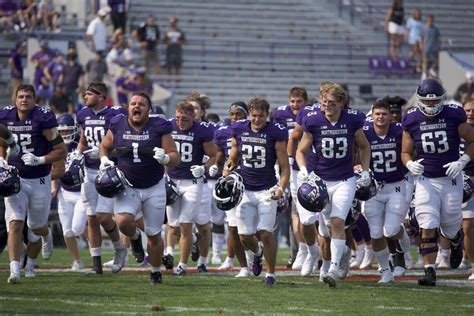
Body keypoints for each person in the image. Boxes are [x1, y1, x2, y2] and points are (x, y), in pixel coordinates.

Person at [99, 91, 180, 284]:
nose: (137, 106)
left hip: (154, 186)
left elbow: (175, 157)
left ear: (148, 109)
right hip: (128, 184)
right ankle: (135, 238)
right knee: (123, 222)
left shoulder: (159, 127)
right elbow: (105, 145)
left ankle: (155, 270)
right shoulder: (118, 123)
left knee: (153, 234)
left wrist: (166, 158)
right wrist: (103, 159)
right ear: (128, 107)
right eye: (133, 103)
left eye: (141, 104)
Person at [296, 84, 371, 287]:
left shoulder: (352, 119)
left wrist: (364, 171)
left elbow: (364, 146)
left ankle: (334, 268)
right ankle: (345, 252)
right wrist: (303, 170)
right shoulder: (313, 120)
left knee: (338, 222)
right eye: (324, 102)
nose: (327, 106)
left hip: (345, 180)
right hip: (321, 181)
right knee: (327, 230)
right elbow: (301, 150)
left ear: (341, 103)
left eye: (331, 102)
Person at [401, 78, 474, 286]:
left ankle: (456, 239)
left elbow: (473, 139)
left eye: (435, 102)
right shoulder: (412, 118)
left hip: (451, 179)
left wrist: (463, 160)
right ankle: (429, 271)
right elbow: (405, 152)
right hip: (426, 180)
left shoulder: (453, 114)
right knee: (427, 223)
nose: (431, 105)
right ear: (420, 99)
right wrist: (409, 165)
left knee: (450, 225)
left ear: (442, 99)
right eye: (427, 101)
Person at [0, 84, 68, 284]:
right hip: (15, 178)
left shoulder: (43, 118)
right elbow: (1, 142)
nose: (24, 100)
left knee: (36, 226)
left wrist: (40, 159)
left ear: (34, 99)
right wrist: (2, 158)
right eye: (20, 96)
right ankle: (15, 271)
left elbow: (61, 151)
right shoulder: (6, 116)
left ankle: (45, 235)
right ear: (15, 98)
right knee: (15, 223)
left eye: (28, 96)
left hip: (39, 178)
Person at [224, 97, 290, 286]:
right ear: (249, 114)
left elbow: (285, 167)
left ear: (267, 115)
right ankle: (258, 253)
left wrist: (281, 188)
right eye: (254, 116)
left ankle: (271, 274)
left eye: (261, 116)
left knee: (266, 233)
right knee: (244, 236)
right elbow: (234, 154)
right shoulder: (239, 128)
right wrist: (229, 165)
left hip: (267, 189)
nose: (257, 120)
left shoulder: (275, 132)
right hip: (245, 189)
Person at [75, 82, 128, 275]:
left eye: (89, 94)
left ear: (100, 96)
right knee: (91, 218)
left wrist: (104, 153)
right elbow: (83, 139)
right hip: (88, 170)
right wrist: (78, 152)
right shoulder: (82, 114)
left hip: (109, 170)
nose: (85, 97)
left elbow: (123, 143)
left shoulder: (115, 115)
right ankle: (96, 265)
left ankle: (120, 248)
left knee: (104, 217)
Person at [164, 101, 216, 275]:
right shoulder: (168, 126)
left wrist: (204, 167)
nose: (180, 122)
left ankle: (182, 266)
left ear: (193, 116)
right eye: (178, 118)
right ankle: (194, 239)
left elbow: (214, 155)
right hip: (172, 180)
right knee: (173, 226)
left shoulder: (202, 130)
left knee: (186, 225)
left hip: (192, 183)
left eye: (184, 119)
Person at [362, 99, 411, 283]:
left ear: (390, 116)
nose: (381, 117)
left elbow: (409, 151)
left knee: (390, 231)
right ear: (372, 115)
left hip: (395, 185)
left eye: (384, 114)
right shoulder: (364, 132)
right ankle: (385, 271)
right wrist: (359, 167)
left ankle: (402, 234)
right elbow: (354, 153)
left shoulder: (399, 131)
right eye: (377, 114)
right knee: (375, 233)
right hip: (374, 188)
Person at [211, 101, 251, 276]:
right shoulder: (221, 132)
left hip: (251, 180)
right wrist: (215, 166)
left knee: (250, 226)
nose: (235, 117)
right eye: (232, 114)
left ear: (246, 115)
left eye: (239, 114)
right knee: (233, 226)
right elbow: (220, 155)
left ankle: (253, 257)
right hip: (231, 181)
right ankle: (243, 266)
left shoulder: (252, 130)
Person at [272, 87, 307, 272]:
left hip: (302, 166)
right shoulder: (279, 114)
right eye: (292, 101)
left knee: (302, 210)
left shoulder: (310, 114)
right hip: (283, 166)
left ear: (305, 102)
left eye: (299, 101)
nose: (295, 105)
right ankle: (295, 252)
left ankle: (303, 251)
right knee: (279, 209)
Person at [54, 113, 87, 270]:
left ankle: (93, 242)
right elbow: (53, 167)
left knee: (77, 229)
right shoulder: (55, 146)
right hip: (64, 192)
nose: (65, 134)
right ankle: (77, 261)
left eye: (67, 131)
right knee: (67, 231)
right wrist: (53, 187)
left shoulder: (80, 145)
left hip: (81, 192)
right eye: (61, 131)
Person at [461, 98, 474, 280]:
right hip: (461, 181)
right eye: (468, 110)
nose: (471, 113)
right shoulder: (456, 129)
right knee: (468, 227)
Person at [60, 49, 84, 113]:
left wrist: (80, 87)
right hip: (65, 88)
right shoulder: (65, 66)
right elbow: (61, 77)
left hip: (75, 89)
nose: (71, 57)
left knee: (75, 105)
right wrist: (61, 87)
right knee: (65, 105)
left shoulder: (79, 66)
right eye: (70, 55)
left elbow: (82, 78)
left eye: (72, 55)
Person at [422, 15, 441, 79]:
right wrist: (421, 44)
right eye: (429, 20)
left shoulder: (435, 29)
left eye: (431, 20)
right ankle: (424, 73)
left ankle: (431, 69)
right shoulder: (424, 28)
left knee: (437, 59)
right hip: (427, 46)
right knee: (425, 60)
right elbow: (421, 37)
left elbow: (438, 38)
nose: (430, 21)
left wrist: (439, 45)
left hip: (434, 46)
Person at [406, 8, 424, 72]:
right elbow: (408, 29)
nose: (418, 15)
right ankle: (417, 64)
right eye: (417, 14)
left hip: (418, 38)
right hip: (412, 38)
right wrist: (406, 37)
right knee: (416, 51)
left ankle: (417, 64)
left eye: (419, 14)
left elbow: (421, 32)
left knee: (418, 52)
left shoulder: (421, 22)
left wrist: (422, 40)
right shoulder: (410, 20)